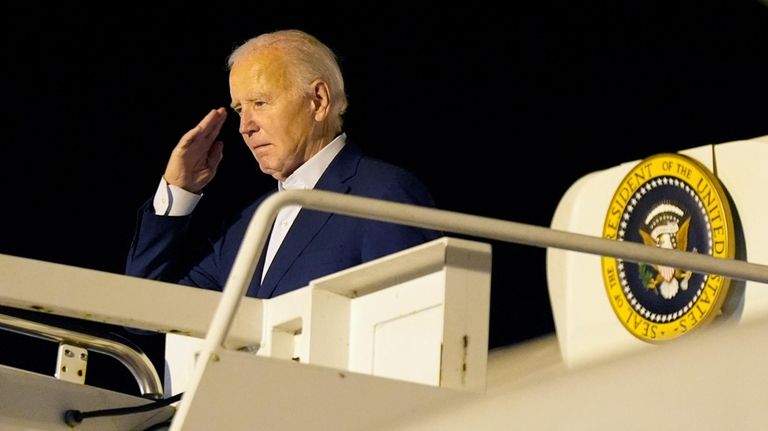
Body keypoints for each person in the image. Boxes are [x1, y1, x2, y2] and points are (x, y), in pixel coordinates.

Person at [126, 29, 440, 298]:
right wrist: (179, 191)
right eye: (239, 109)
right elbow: (145, 311)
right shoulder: (245, 227)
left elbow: (413, 324)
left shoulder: (381, 193)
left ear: (318, 101)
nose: (245, 126)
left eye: (260, 103)